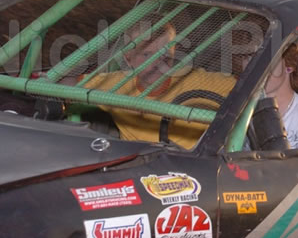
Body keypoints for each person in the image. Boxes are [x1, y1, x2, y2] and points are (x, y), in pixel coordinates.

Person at [81, 18, 236, 149]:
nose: (158, 63)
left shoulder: (198, 80)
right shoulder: (115, 84)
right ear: (129, 58)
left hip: (192, 167)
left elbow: (247, 85)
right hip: (137, 166)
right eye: (147, 55)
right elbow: (70, 84)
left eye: (165, 54)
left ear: (174, 52)